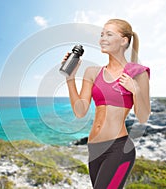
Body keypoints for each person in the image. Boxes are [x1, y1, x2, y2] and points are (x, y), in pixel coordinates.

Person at [62, 19, 150, 188]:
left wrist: (136, 90)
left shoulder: (137, 73)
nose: (102, 38)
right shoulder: (93, 72)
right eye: (101, 34)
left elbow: (143, 116)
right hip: (94, 150)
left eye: (109, 34)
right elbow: (80, 111)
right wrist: (70, 78)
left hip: (119, 149)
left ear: (124, 41)